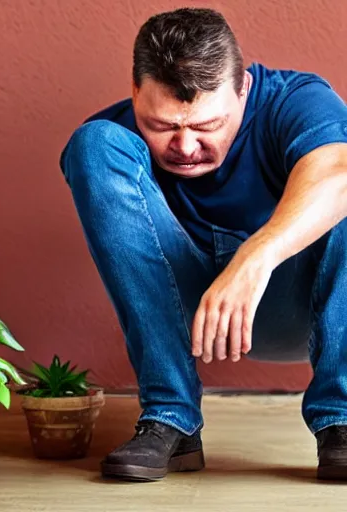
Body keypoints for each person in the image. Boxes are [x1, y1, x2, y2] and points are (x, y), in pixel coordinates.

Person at [59, 7, 347, 482]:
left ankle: (341, 420)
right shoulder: (119, 138)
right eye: (163, 126)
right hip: (183, 309)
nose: (186, 148)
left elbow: (337, 173)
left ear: (243, 89)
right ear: (136, 93)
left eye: (207, 127)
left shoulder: (294, 98)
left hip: (302, 306)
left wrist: (254, 259)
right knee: (92, 143)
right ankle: (171, 421)